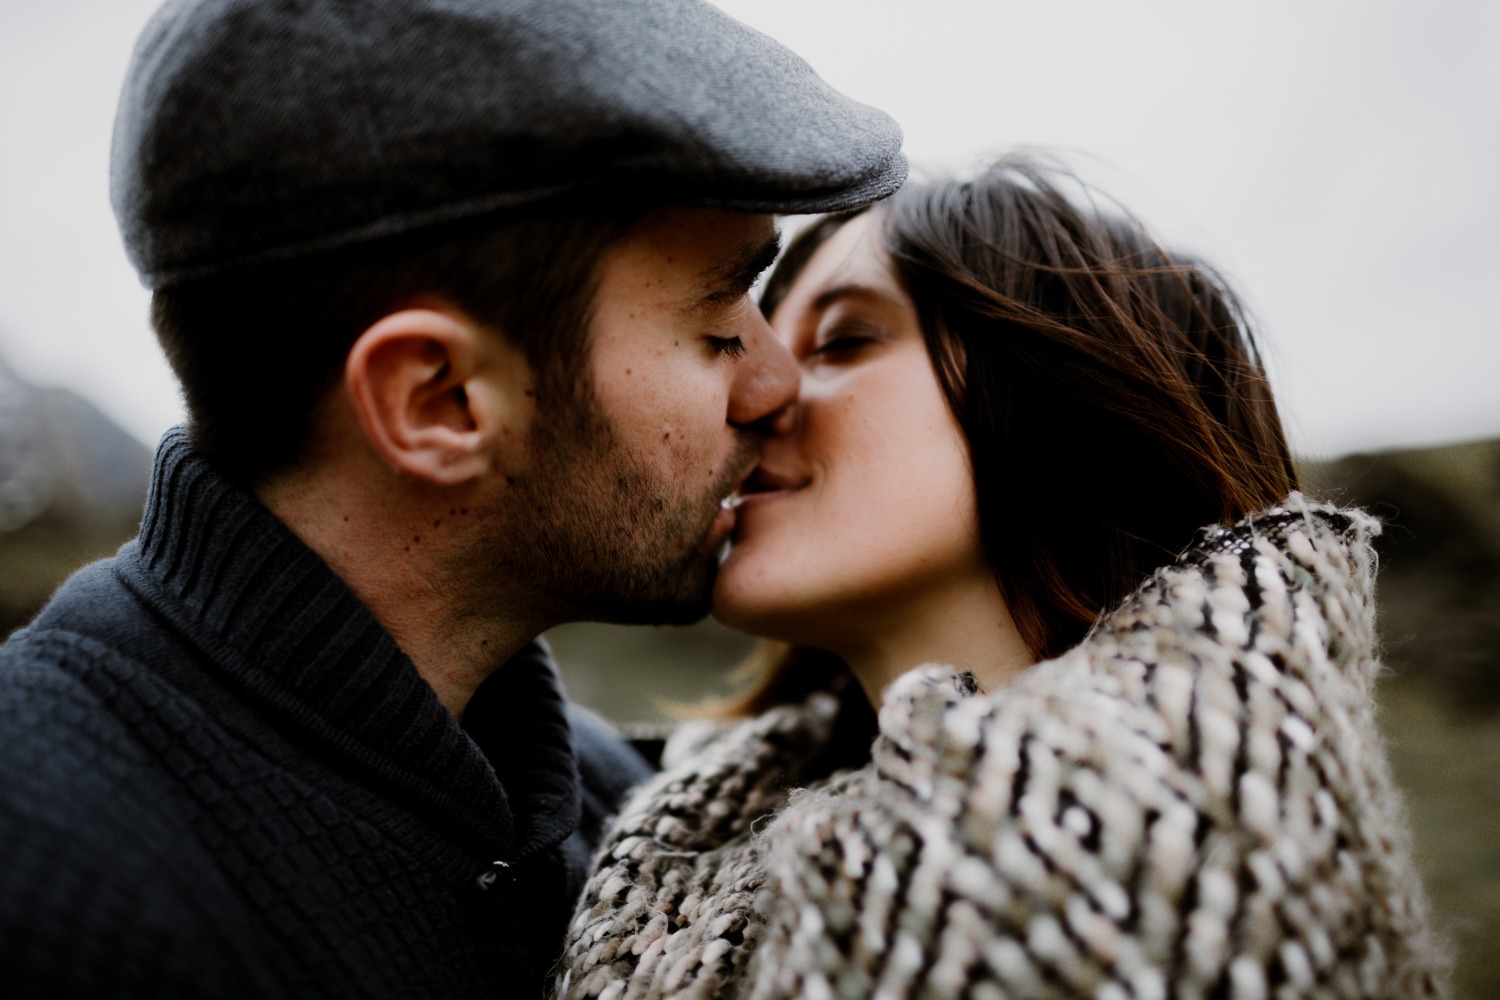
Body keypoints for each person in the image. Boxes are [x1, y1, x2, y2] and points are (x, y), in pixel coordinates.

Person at [0, 0, 907, 997]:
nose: (778, 383)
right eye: (718, 326)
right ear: (437, 400)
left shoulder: (636, 822)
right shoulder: (53, 883)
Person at [554, 155, 1449, 998]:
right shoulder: (644, 814)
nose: (757, 394)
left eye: (844, 340)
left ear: (1062, 407)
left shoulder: (1181, 844)